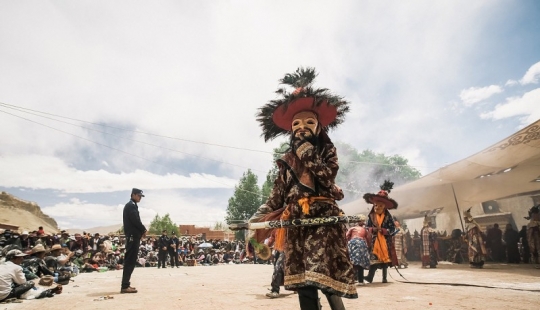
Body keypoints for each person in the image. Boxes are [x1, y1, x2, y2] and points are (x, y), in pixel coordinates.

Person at [249, 67, 357, 309]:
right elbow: (277, 197)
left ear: (319, 127)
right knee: (304, 284)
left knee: (325, 278)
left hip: (324, 221)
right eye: (296, 123)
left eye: (309, 122)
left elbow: (327, 177)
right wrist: (255, 220)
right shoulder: (286, 160)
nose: (302, 127)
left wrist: (305, 151)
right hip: (296, 224)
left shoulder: (328, 151)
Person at [363, 181, 398, 283]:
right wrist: (372, 229)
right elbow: (367, 227)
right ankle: (370, 277)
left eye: (380, 206)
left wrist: (384, 231)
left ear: (384, 207)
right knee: (373, 260)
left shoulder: (388, 216)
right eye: (375, 206)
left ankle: (384, 278)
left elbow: (393, 228)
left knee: (384, 261)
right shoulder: (371, 216)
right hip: (374, 241)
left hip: (385, 241)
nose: (377, 208)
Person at [121, 188, 147, 293]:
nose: (140, 198)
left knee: (131, 261)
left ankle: (126, 284)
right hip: (132, 236)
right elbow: (135, 220)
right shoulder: (130, 206)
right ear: (133, 195)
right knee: (130, 261)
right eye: (139, 196)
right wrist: (143, 229)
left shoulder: (133, 205)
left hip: (134, 236)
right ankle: (124, 286)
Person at [346, 214, 371, 285]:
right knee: (361, 263)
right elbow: (368, 239)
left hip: (352, 244)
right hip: (362, 244)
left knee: (352, 262)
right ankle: (360, 280)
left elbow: (346, 236)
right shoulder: (364, 230)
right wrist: (368, 247)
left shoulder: (352, 228)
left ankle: (351, 280)